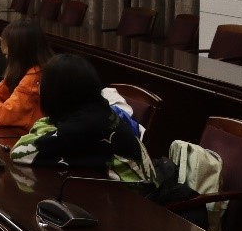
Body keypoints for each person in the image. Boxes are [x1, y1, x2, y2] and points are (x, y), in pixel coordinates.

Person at [10, 54, 154, 183]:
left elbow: (19, 152)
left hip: (135, 199)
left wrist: (45, 131)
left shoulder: (83, 127)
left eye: (41, 84)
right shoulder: (97, 111)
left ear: (56, 93)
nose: (39, 89)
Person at [0, 19, 52, 129]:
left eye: (7, 45)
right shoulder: (19, 71)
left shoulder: (35, 76)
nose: (4, 50)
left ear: (20, 49)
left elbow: (6, 115)